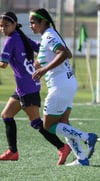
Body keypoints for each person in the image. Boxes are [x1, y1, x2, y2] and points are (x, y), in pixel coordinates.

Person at [28, 8, 98, 166]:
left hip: (59, 86)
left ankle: (87, 137)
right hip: (67, 83)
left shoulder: (48, 35)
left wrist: (44, 69)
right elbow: (67, 53)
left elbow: (63, 54)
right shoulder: (51, 34)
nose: (31, 26)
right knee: (63, 124)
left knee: (48, 126)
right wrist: (42, 62)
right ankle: (82, 159)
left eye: (33, 22)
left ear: (43, 22)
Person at [0, 11, 71, 165]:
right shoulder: (22, 37)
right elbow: (41, 47)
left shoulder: (10, 40)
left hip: (27, 87)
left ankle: (62, 147)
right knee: (6, 115)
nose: (3, 29)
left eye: (6, 25)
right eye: (1, 26)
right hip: (27, 86)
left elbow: (3, 64)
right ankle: (13, 151)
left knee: (36, 122)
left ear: (14, 25)